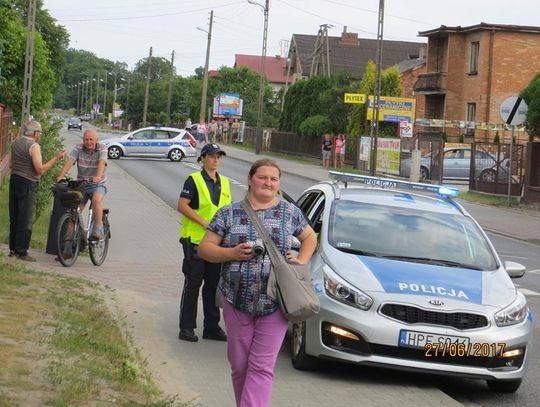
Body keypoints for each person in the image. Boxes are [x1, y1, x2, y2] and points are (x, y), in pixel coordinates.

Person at [198, 158, 317, 407]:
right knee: (240, 365)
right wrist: (231, 253)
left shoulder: (289, 212)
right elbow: (205, 249)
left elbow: (310, 238)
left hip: (276, 300)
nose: (268, 183)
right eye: (263, 177)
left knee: (261, 367)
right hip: (235, 298)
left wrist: (300, 260)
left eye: (274, 179)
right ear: (251, 179)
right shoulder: (228, 213)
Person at [177, 143, 231, 343]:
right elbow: (182, 205)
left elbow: (228, 211)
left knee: (213, 285)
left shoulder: (224, 182)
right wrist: (203, 222)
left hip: (217, 244)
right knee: (193, 283)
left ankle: (211, 327)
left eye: (218, 156)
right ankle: (186, 327)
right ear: (203, 158)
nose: (216, 159)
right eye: (211, 156)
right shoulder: (194, 180)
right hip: (196, 240)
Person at [9, 120, 66, 261]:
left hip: (14, 180)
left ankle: (13, 249)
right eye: (39, 132)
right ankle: (22, 251)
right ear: (35, 133)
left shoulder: (16, 142)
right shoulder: (33, 146)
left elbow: (10, 164)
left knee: (15, 217)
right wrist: (56, 158)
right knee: (26, 218)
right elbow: (39, 169)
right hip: (28, 183)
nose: (40, 134)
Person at [56, 129, 108, 240]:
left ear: (96, 140)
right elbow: (70, 161)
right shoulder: (78, 148)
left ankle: (97, 230)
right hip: (82, 184)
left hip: (97, 184)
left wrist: (98, 177)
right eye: (86, 139)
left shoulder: (102, 148)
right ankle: (67, 247)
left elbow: (102, 162)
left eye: (91, 139)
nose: (89, 142)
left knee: (96, 200)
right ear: (83, 140)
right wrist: (61, 176)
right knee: (74, 211)